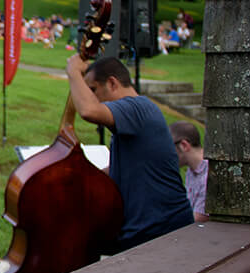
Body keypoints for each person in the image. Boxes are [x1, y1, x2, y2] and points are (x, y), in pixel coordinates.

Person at [66, 55, 194, 250]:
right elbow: (129, 168)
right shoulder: (135, 115)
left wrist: (73, 72)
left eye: (93, 90)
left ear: (112, 83)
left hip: (162, 233)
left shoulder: (136, 108)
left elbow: (88, 111)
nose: (92, 97)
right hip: (150, 231)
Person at [171, 121, 209, 222]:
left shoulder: (209, 174)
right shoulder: (191, 170)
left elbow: (197, 219)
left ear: (184, 145)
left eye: (170, 148)